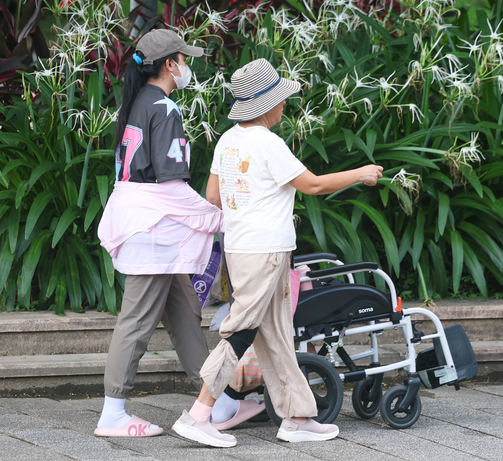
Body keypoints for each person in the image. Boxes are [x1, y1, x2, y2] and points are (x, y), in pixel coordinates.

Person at [171, 58, 383, 448]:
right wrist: (361, 173)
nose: (285, 104)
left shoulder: (228, 140)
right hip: (265, 251)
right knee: (242, 329)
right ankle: (199, 414)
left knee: (277, 334)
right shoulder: (269, 144)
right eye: (281, 98)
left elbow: (213, 197)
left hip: (241, 249)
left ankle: (297, 417)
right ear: (267, 105)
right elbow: (314, 186)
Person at [94, 29, 264, 437]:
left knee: (185, 311)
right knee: (135, 321)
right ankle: (113, 413)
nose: (188, 65)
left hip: (148, 227)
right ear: (170, 64)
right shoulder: (165, 109)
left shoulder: (138, 102)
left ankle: (218, 403)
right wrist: (221, 216)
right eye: (184, 59)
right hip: (154, 232)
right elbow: (170, 186)